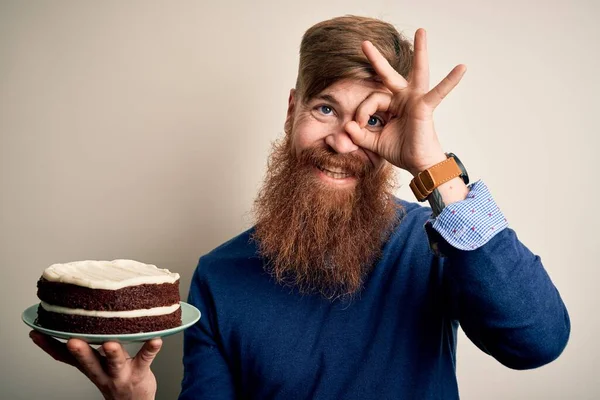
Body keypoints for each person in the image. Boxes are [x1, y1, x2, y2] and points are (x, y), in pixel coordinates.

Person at [30, 15, 570, 399]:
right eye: (325, 108)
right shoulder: (219, 276)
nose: (341, 141)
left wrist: (433, 166)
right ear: (292, 111)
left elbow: (537, 343)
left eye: (374, 121)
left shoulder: (436, 243)